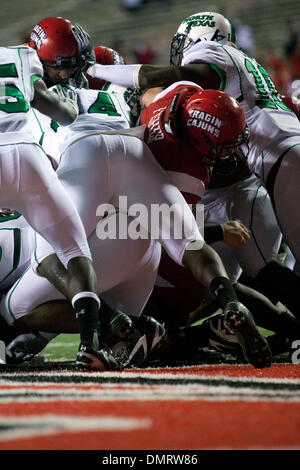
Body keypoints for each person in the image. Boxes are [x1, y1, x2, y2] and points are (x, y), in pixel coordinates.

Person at [1, 84, 271, 369]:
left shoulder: (178, 93)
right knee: (190, 243)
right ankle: (230, 301)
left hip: (84, 156)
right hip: (135, 156)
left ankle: (94, 339)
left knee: (48, 263)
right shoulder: (181, 160)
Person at [85, 11, 300, 265]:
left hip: (282, 159)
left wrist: (94, 68)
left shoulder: (213, 55)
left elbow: (153, 77)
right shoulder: (241, 60)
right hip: (284, 150)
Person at [0, 44, 119, 371]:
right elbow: (64, 113)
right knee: (75, 250)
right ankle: (91, 345)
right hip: (26, 156)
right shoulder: (19, 55)